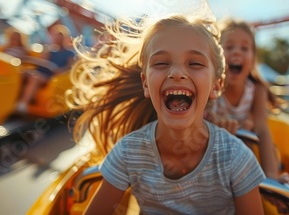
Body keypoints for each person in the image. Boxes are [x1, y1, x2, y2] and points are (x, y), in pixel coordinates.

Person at [70, 12, 265, 214]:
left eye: (195, 63)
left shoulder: (236, 158)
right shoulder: (129, 152)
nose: (177, 73)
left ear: (216, 85)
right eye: (162, 63)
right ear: (146, 83)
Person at [205, 18, 289, 185]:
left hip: (247, 152)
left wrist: (271, 176)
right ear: (216, 57)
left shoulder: (257, 90)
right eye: (229, 47)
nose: (237, 52)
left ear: (253, 60)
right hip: (216, 155)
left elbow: (262, 130)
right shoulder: (211, 89)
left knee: (252, 134)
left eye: (244, 48)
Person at [15, 25, 75, 114]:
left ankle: (23, 104)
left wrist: (58, 70)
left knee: (34, 78)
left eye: (60, 37)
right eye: (55, 37)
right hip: (41, 72)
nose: (57, 39)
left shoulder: (69, 53)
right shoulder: (49, 50)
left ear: (64, 38)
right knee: (22, 73)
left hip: (51, 77)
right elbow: (42, 61)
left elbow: (69, 67)